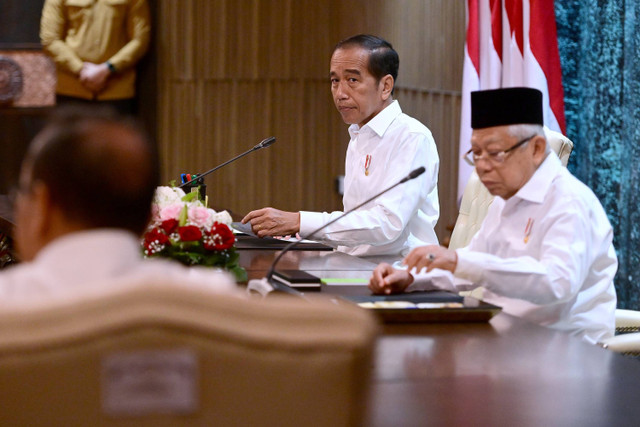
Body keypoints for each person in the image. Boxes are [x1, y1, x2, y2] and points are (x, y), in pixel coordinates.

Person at [369, 87, 618, 344]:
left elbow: (556, 283)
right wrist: (411, 277)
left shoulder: (569, 201)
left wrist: (457, 261)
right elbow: (474, 262)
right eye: (476, 153)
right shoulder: (506, 198)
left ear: (536, 148)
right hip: (502, 335)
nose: (483, 166)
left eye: (495, 153)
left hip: (563, 350)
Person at [0, 107, 237, 304]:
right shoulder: (213, 297)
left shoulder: (10, 300)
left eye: (21, 192)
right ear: (148, 217)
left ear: (43, 204)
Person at [242, 34, 440, 260]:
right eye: (335, 81)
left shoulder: (412, 137)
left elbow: (387, 224)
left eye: (352, 80)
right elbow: (355, 221)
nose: (341, 93)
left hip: (396, 272)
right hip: (351, 263)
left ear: (385, 86)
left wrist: (299, 222)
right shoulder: (359, 133)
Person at [40, 0, 151, 116]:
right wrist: (80, 69)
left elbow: (140, 39)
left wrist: (108, 68)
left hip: (117, 91)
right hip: (72, 89)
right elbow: (50, 39)